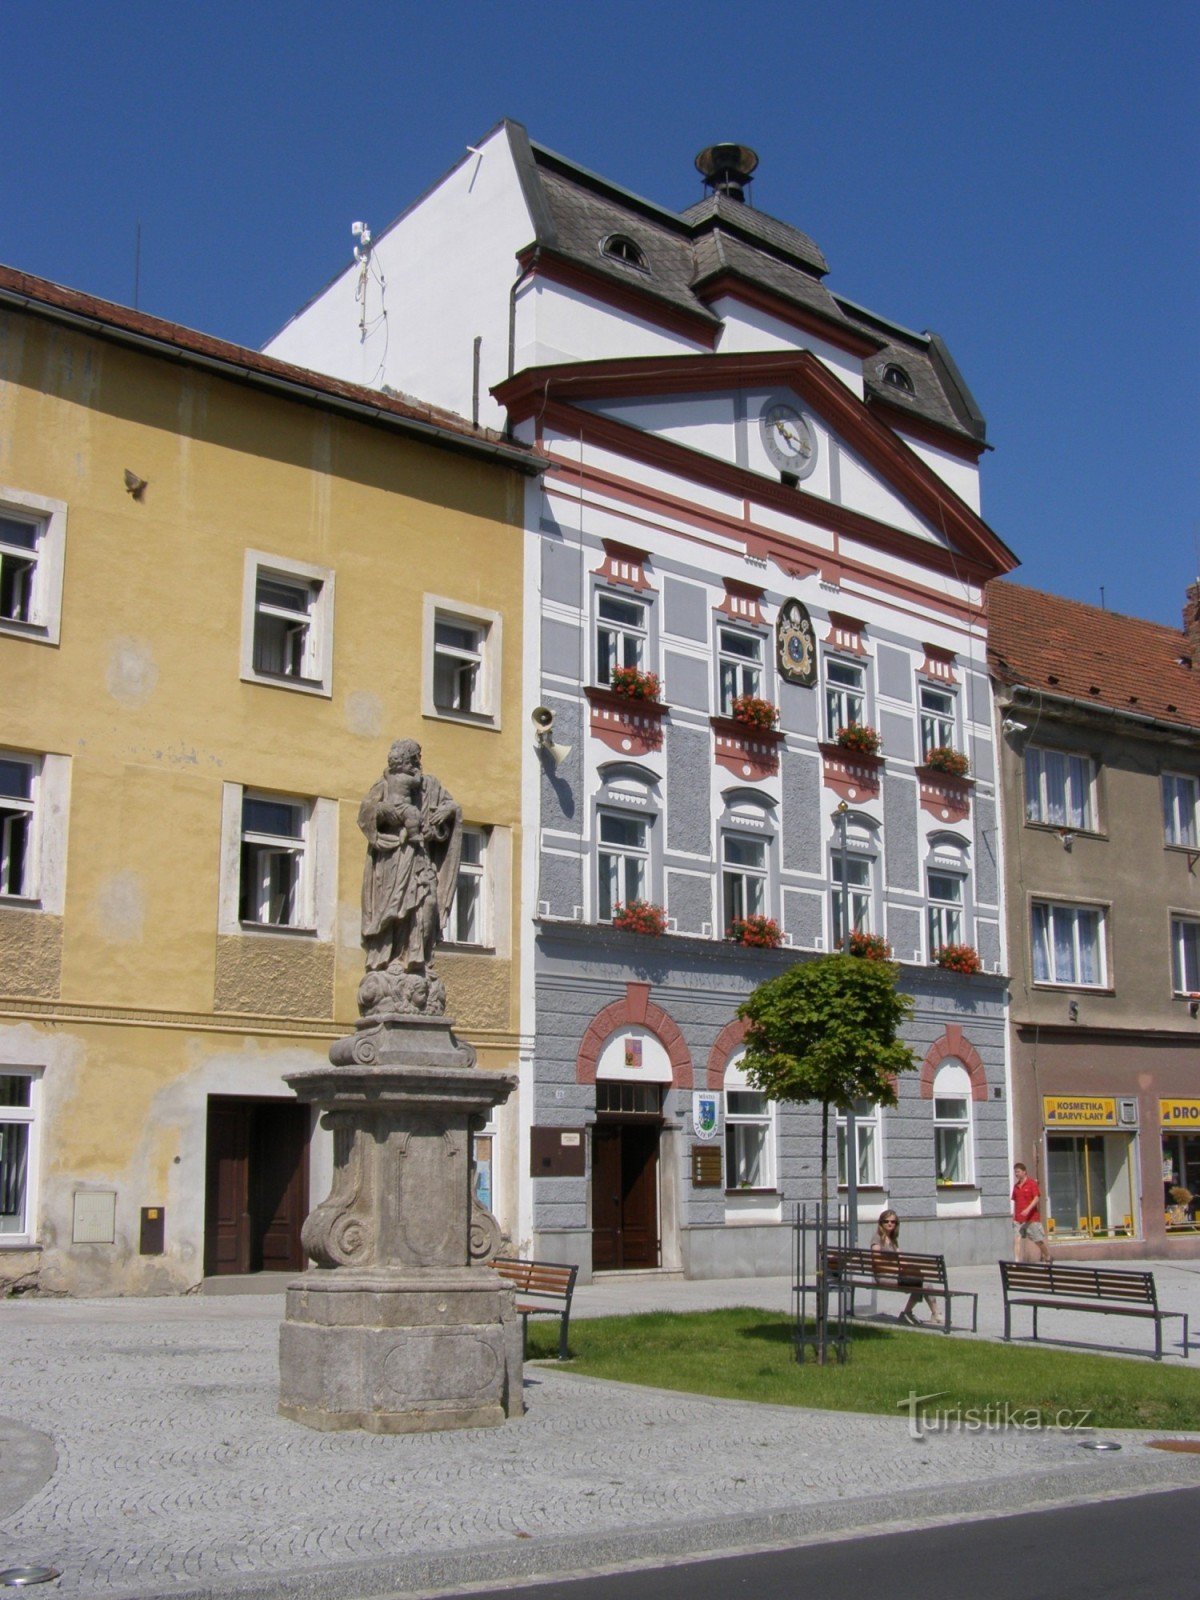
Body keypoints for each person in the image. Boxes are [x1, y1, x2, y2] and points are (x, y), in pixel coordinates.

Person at [358, 738, 462, 975]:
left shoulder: (431, 785)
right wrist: (385, 812)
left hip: (421, 857)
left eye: (418, 757)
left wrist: (448, 812)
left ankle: (418, 958)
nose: (418, 762)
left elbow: (450, 810)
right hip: (393, 858)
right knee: (396, 908)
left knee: (428, 904)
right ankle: (393, 958)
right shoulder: (386, 783)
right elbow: (366, 813)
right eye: (415, 757)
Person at [870, 1209, 939, 1326]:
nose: (889, 1223)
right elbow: (877, 1262)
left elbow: (901, 1259)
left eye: (893, 1222)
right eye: (886, 1221)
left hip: (895, 1274)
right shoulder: (877, 1238)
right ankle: (933, 1314)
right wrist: (897, 1270)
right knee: (922, 1283)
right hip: (883, 1276)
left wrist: (909, 1268)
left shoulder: (893, 1240)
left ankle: (922, 1313)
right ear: (881, 1223)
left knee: (919, 1280)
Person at [1012, 1162, 1052, 1262]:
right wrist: (1014, 1215)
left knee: (1038, 1240)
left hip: (1032, 1219)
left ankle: (1047, 1256)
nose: (1016, 1174)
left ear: (1024, 1172)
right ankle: (1016, 1262)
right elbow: (1015, 1201)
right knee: (1017, 1239)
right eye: (1015, 1172)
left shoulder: (1031, 1183)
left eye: (1018, 1172)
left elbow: (1036, 1198)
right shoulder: (1016, 1187)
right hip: (1019, 1219)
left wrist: (1028, 1209)